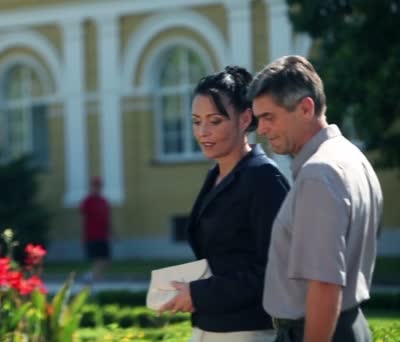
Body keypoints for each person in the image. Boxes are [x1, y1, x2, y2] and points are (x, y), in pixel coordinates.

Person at [248, 55, 383, 342]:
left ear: (306, 108)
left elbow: (324, 285)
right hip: (348, 325)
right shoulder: (352, 157)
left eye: (268, 117)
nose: (261, 130)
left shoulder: (318, 174)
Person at [158, 66, 290, 342]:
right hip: (209, 326)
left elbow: (273, 273)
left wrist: (197, 293)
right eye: (196, 121)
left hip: (248, 331)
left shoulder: (264, 179)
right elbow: (225, 257)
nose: (203, 132)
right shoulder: (215, 175)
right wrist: (188, 287)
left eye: (215, 121)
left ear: (245, 118)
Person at [80, 176, 111, 283]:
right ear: (91, 187)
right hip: (92, 234)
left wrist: (112, 232)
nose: (97, 188)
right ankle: (96, 278)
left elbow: (107, 218)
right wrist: (83, 236)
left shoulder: (104, 201)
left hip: (103, 234)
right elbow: (83, 217)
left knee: (105, 259)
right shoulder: (87, 201)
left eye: (99, 186)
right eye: (95, 186)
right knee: (96, 259)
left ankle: (91, 276)